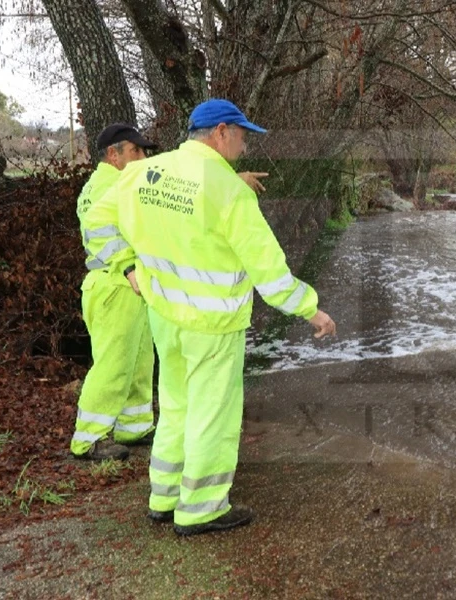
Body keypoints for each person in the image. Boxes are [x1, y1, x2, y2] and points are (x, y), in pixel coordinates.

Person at [85, 99, 336, 536]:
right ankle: (201, 507)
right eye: (242, 135)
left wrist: (126, 266)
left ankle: (163, 497)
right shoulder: (228, 191)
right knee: (212, 414)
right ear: (220, 132)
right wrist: (311, 309)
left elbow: (96, 220)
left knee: (177, 407)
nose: (245, 144)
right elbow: (269, 274)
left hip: (165, 316)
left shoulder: (145, 173)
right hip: (214, 325)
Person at [71, 124, 158, 461]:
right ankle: (88, 438)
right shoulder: (108, 186)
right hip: (115, 283)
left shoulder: (117, 183)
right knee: (113, 363)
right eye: (136, 151)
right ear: (114, 154)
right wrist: (128, 267)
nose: (143, 157)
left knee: (138, 360)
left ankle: (133, 427)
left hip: (127, 286)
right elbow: (100, 231)